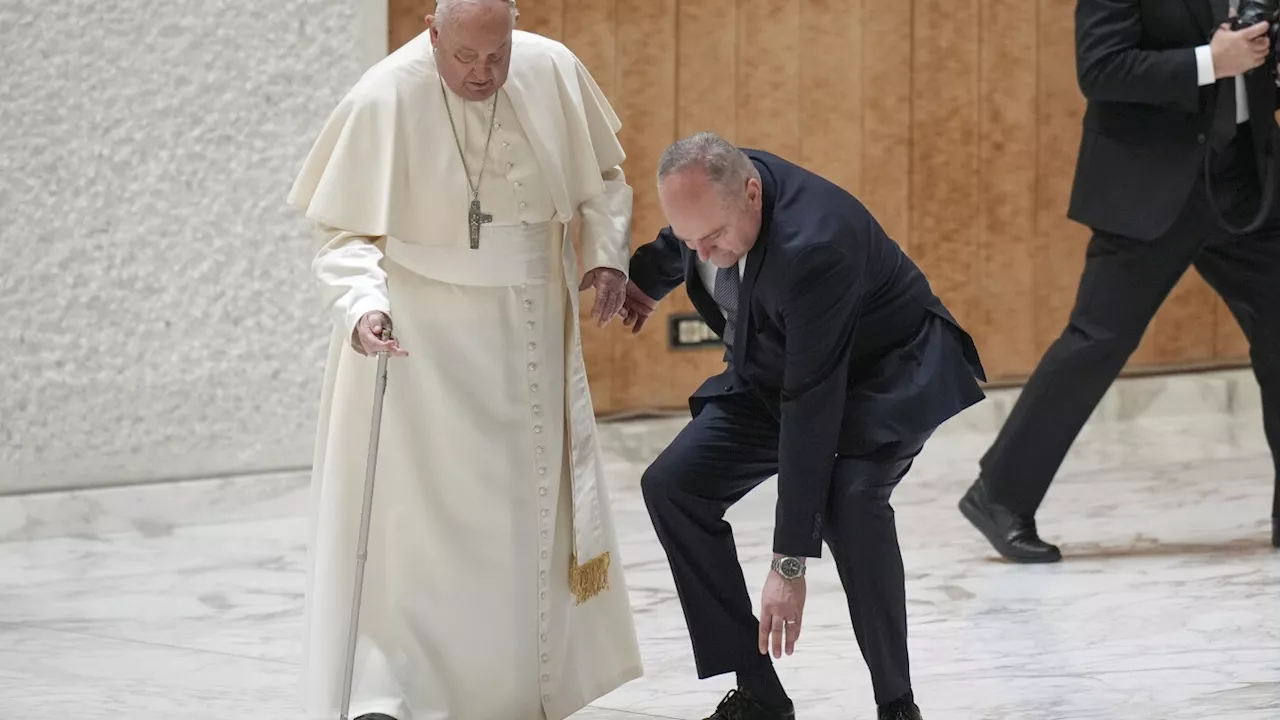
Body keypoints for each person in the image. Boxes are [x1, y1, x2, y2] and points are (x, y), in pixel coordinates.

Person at [284, 1, 642, 718]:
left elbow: (600, 180)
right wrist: (363, 307)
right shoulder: (382, 96)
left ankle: (518, 692)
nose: (483, 74)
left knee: (526, 518)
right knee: (419, 526)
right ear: (431, 31)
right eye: (464, 58)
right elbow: (342, 236)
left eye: (496, 57)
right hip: (425, 340)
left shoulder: (551, 69)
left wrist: (604, 258)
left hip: (532, 328)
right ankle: (400, 692)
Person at [617, 132, 987, 720]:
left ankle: (897, 703)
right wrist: (641, 281)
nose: (704, 254)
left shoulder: (816, 246)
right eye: (693, 240)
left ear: (752, 194)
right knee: (673, 487)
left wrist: (788, 564)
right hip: (776, 368)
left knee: (850, 504)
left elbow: (811, 406)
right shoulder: (713, 198)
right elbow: (677, 242)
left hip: (884, 375)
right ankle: (760, 696)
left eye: (712, 239)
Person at [958, 0, 1280, 564]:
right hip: (1151, 187)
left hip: (1244, 181)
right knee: (1097, 341)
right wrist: (1210, 61)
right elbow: (1101, 69)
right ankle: (999, 494)